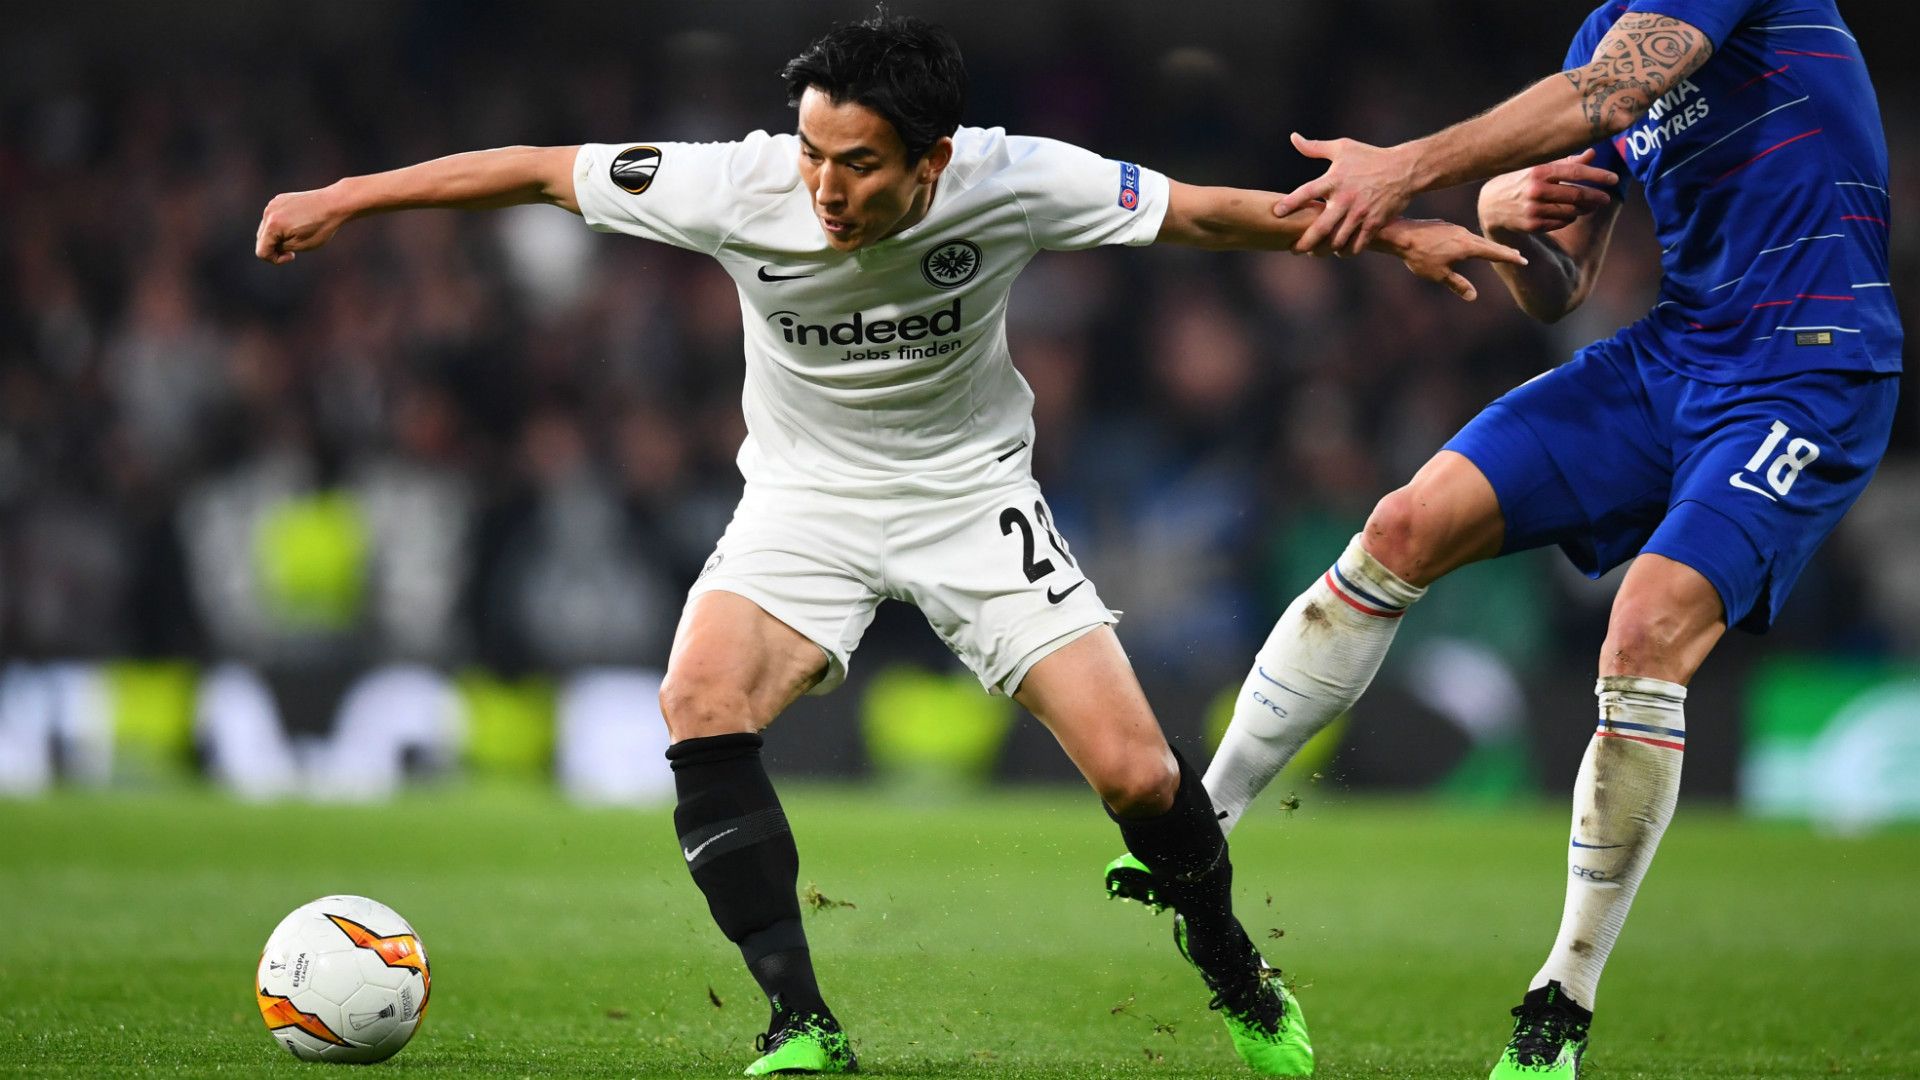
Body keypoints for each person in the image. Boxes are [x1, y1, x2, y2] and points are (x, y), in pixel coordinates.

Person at [256, 13, 1522, 1076]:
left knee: (1141, 779)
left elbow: (1204, 216)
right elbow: (538, 168)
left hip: (973, 498)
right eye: (812, 154)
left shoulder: (1016, 177)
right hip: (803, 502)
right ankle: (800, 1024)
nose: (825, 189)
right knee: (699, 699)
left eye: (857, 165)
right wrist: (343, 198)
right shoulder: (736, 185)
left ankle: (1233, 967)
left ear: (933, 161)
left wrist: (1389, 230)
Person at [1107, 2, 1900, 1078]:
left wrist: (1407, 168)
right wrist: (1507, 215)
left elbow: (1614, 93)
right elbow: (1556, 288)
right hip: (1678, 356)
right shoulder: (1598, 31)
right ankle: (1200, 833)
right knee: (1401, 525)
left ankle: (1559, 1006)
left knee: (1645, 628)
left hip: (1808, 363)